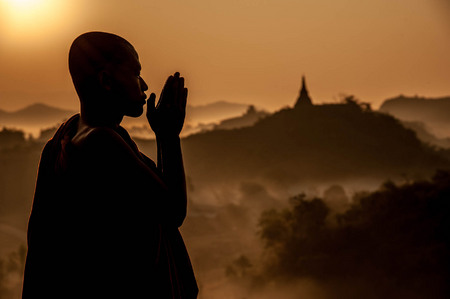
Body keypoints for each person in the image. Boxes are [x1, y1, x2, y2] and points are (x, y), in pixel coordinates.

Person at [22, 32, 198, 298]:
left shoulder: (67, 137)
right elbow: (173, 212)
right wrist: (168, 136)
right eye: (136, 74)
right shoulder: (101, 142)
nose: (145, 84)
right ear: (106, 81)